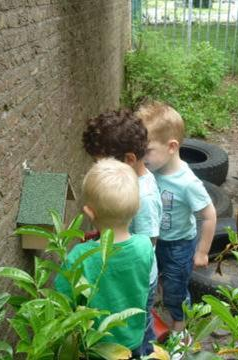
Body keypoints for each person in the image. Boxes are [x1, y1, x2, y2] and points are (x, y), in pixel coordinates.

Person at [82, 110, 162, 355]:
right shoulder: (127, 183)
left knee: (139, 325)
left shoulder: (145, 197)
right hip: (128, 265)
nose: (97, 169)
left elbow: (148, 243)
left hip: (136, 275)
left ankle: (144, 351)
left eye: (100, 163)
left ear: (128, 159)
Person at [54, 158, 154, 354]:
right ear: (137, 208)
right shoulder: (145, 246)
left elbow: (61, 303)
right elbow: (147, 286)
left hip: (96, 347)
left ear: (89, 213)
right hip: (134, 339)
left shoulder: (79, 257)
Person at [136, 101, 217, 333]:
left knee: (176, 289)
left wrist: (202, 251)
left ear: (171, 147)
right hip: (156, 240)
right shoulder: (150, 170)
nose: (143, 157)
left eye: (147, 150)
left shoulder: (187, 183)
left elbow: (209, 214)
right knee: (158, 279)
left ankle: (181, 328)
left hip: (179, 246)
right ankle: (162, 306)